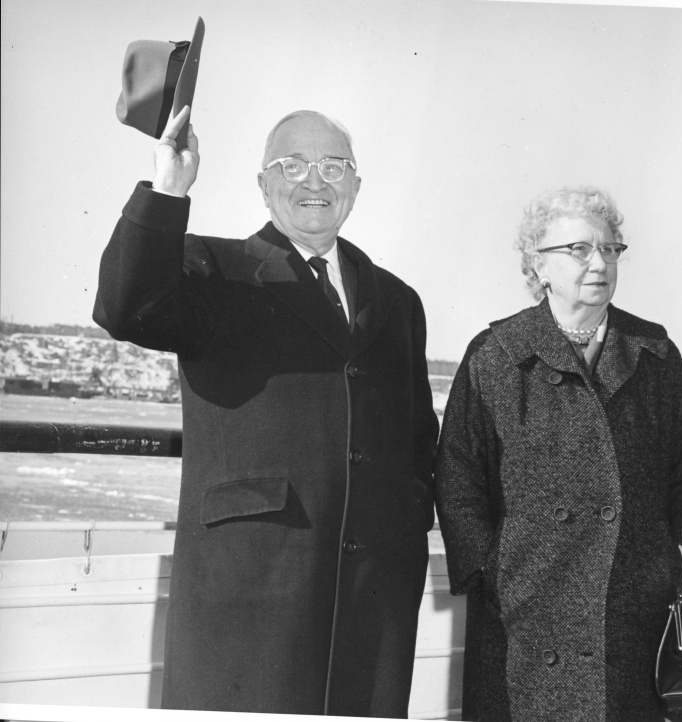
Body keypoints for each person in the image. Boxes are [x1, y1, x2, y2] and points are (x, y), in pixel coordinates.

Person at [93, 106, 439, 717]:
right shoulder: (214, 270)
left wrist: (407, 520)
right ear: (263, 183)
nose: (314, 181)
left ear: (357, 184)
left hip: (373, 598)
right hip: (248, 594)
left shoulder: (397, 299)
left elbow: (417, 436)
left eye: (333, 166)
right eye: (293, 165)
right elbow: (126, 308)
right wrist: (169, 186)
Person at [434, 186, 682, 721]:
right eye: (579, 249)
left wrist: (678, 559)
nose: (599, 263)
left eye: (610, 249)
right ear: (538, 264)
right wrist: (494, 572)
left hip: (632, 613)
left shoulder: (654, 353)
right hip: (522, 618)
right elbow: (457, 481)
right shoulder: (495, 355)